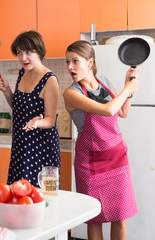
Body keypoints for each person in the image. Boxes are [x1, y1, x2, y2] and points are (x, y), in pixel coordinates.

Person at [63, 40, 138, 240]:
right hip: (90, 164)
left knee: (120, 217)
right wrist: (128, 90)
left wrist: (127, 89)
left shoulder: (105, 81)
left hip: (117, 158)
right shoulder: (71, 93)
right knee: (95, 218)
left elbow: (123, 112)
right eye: (67, 62)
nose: (70, 67)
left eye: (75, 61)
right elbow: (108, 109)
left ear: (90, 62)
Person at [0, 30, 60, 187]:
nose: (23, 58)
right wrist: (6, 90)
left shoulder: (50, 79)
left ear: (39, 51)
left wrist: (37, 123)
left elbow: (50, 120)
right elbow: (18, 108)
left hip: (41, 147)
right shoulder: (22, 73)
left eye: (28, 52)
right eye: (19, 53)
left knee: (43, 198)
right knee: (18, 195)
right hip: (21, 145)